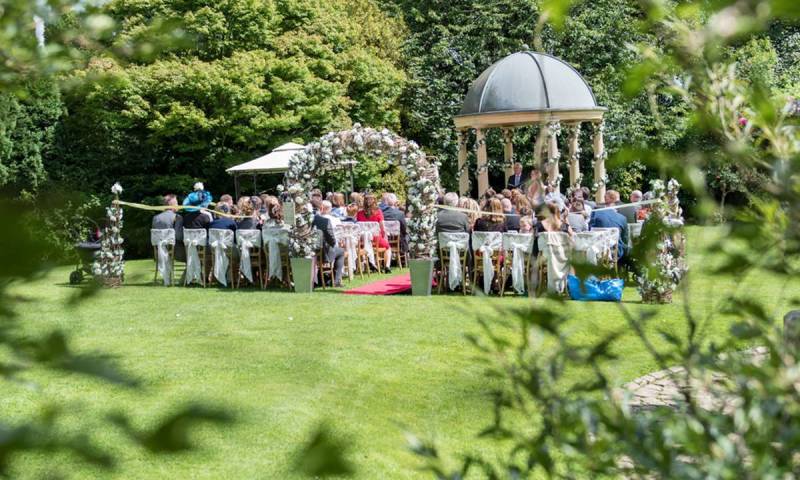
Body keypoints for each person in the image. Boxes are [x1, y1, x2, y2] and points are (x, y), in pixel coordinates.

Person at [356, 193, 392, 273]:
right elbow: (382, 227)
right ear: (375, 201)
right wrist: (384, 236)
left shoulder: (359, 213)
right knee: (388, 247)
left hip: (363, 240)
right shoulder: (378, 212)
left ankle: (371, 263)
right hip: (376, 238)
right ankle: (387, 266)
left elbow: (358, 228)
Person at [589, 190, 629, 259]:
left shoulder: (595, 214)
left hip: (598, 250)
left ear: (605, 199)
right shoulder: (622, 218)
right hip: (616, 253)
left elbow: (590, 231)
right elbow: (625, 239)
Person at [312, 210, 345, 287]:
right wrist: (333, 244)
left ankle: (323, 277)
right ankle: (336, 281)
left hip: (307, 252)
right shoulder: (324, 221)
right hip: (323, 253)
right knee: (341, 251)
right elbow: (331, 239)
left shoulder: (299, 220)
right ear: (321, 208)